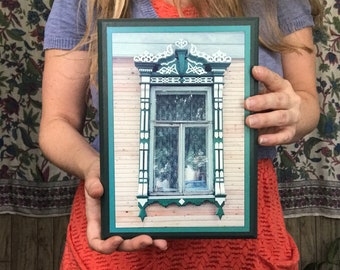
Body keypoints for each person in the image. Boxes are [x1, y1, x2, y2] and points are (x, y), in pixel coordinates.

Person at [39, 0, 322, 269]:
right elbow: (56, 123)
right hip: (119, 230)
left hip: (244, 238)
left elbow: (307, 102)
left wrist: (291, 113)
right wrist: (92, 168)